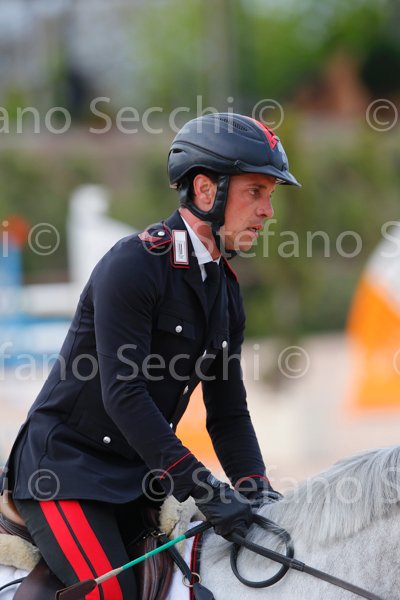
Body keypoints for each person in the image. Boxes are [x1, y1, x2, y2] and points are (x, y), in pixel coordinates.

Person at [0, 112, 300, 599]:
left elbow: (228, 412)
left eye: (270, 196)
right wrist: (203, 487)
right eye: (255, 192)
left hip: (138, 478)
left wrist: (255, 489)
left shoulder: (226, 291)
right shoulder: (134, 265)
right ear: (206, 190)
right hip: (66, 472)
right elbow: (124, 394)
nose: (267, 211)